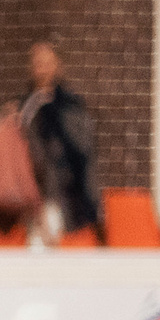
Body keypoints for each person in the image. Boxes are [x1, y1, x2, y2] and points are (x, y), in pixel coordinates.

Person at [20, 41, 100, 245]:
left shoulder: (70, 106)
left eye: (47, 63)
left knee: (50, 249)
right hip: (30, 193)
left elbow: (83, 150)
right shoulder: (24, 106)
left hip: (60, 193)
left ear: (57, 66)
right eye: (38, 63)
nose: (42, 69)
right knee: (37, 250)